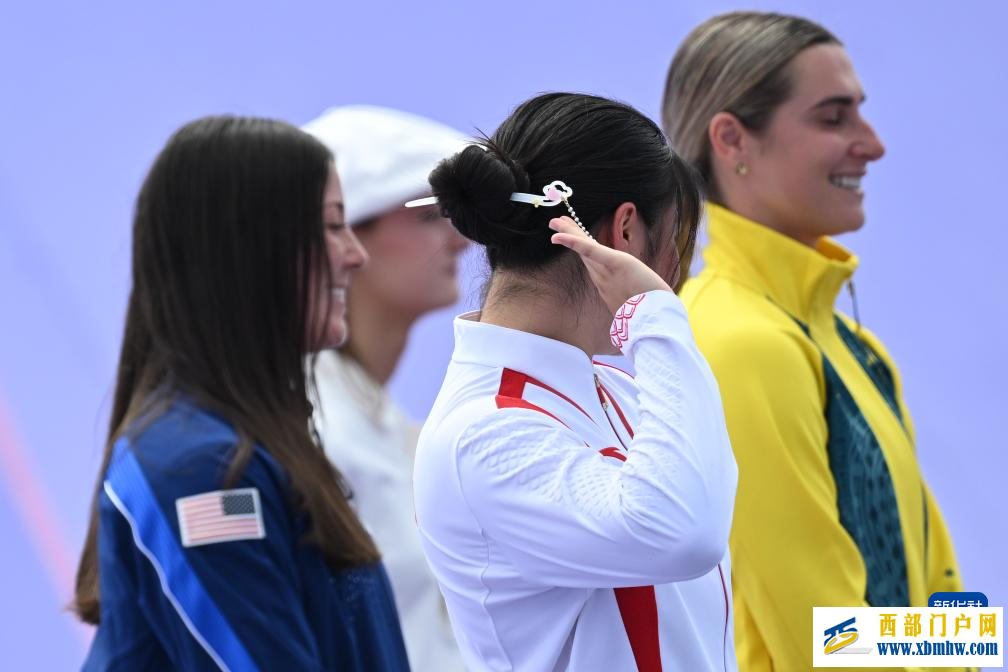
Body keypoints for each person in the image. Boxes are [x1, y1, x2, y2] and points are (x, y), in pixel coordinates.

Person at [662, 11, 965, 671]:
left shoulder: (852, 344)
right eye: (834, 118)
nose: (873, 143)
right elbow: (827, 640)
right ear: (732, 139)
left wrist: (973, 644)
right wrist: (961, 644)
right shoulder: (738, 341)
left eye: (861, 112)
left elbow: (938, 591)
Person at [412, 92, 739, 671]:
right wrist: (655, 316)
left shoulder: (617, 385)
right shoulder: (484, 433)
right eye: (678, 245)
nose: (678, 277)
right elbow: (680, 533)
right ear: (627, 233)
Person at [72, 116, 410, 671]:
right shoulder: (199, 469)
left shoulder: (240, 449)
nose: (355, 254)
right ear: (247, 249)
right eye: (331, 227)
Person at [302, 105, 468, 672]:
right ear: (345, 238)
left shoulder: (383, 425)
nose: (461, 241)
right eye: (430, 216)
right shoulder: (313, 427)